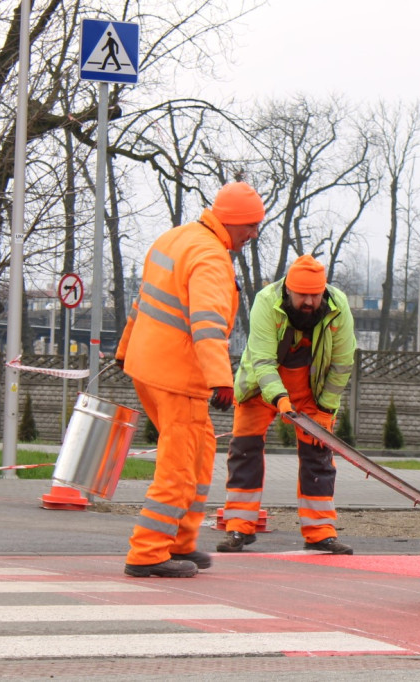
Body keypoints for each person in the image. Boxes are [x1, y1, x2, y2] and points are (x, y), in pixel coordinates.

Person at [117, 180, 265, 578]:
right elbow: (207, 325)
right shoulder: (211, 258)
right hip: (177, 375)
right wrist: (221, 380)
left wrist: (124, 347)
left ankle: (180, 543)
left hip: (148, 367)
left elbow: (143, 300)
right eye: (251, 225)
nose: (254, 233)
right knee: (179, 468)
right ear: (234, 221)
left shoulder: (174, 239)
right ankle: (148, 553)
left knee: (198, 458)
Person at [218, 254, 357, 555]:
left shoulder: (339, 305)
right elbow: (263, 360)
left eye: (314, 295)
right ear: (288, 290)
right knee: (245, 451)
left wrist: (325, 409)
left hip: (311, 393)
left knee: (318, 457)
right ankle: (239, 527)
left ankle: (320, 531)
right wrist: (279, 398)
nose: (308, 302)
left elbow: (342, 364)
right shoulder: (266, 301)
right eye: (302, 295)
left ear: (324, 291)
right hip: (259, 388)